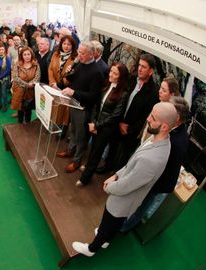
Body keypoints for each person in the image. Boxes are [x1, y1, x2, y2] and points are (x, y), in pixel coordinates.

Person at [72, 102, 178, 257]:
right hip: (127, 198)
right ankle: (106, 240)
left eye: (153, 118)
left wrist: (109, 187)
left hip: (123, 199)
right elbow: (132, 163)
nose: (148, 118)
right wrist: (116, 175)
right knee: (114, 224)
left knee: (108, 221)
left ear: (164, 127)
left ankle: (92, 248)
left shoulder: (152, 159)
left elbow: (127, 185)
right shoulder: (160, 139)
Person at [120, 96, 189, 232]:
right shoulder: (174, 130)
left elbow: (162, 166)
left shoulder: (175, 142)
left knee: (141, 205)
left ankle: (125, 227)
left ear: (177, 117)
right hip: (155, 177)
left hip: (159, 182)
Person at [77, 62, 129, 186]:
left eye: (115, 73)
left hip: (106, 129)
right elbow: (97, 105)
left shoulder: (123, 94)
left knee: (96, 153)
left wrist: (97, 125)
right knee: (93, 148)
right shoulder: (106, 85)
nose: (111, 74)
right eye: (111, 71)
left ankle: (85, 178)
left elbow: (115, 116)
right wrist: (93, 122)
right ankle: (89, 166)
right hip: (96, 123)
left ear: (121, 77)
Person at [57, 41, 104, 173]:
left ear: (91, 55)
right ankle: (70, 151)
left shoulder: (96, 72)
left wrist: (74, 92)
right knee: (72, 130)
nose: (79, 55)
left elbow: (93, 96)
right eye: (79, 52)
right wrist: (69, 73)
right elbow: (76, 80)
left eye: (82, 53)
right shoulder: (80, 64)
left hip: (83, 109)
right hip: (73, 103)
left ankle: (76, 161)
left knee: (81, 136)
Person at [112, 54, 159, 171]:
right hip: (117, 121)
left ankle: (116, 179)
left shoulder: (153, 92)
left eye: (143, 67)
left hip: (130, 131)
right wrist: (118, 120)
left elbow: (145, 117)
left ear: (151, 71)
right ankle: (107, 167)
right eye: (139, 65)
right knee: (112, 149)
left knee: (122, 158)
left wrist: (129, 129)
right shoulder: (132, 79)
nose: (139, 69)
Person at [48, 35, 78, 137]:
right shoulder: (56, 54)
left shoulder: (75, 58)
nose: (66, 46)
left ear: (72, 46)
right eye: (64, 43)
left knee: (65, 111)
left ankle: (63, 131)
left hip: (65, 89)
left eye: (69, 44)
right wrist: (52, 83)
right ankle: (54, 125)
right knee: (55, 107)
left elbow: (72, 76)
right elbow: (51, 69)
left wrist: (59, 85)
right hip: (54, 87)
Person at [10, 47, 41, 124]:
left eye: (28, 54)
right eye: (25, 54)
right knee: (20, 108)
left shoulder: (36, 65)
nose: (27, 56)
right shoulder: (18, 64)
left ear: (31, 55)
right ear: (22, 56)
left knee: (28, 109)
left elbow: (37, 77)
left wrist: (32, 83)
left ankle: (27, 124)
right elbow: (16, 77)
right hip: (19, 91)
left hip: (30, 92)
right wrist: (27, 85)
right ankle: (19, 123)